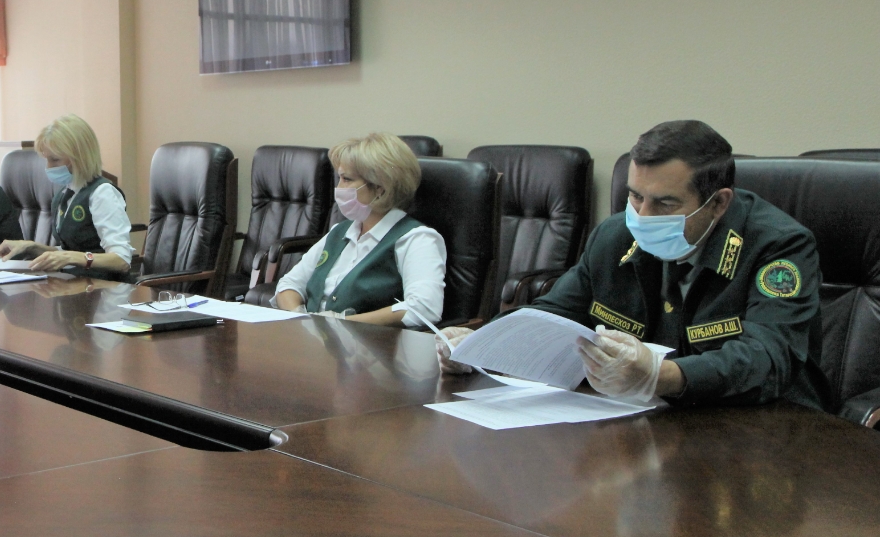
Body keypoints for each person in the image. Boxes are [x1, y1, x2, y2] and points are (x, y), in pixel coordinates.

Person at [437, 120, 826, 409]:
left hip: (763, 428)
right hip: (648, 421)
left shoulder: (778, 246)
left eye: (665, 203)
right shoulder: (615, 237)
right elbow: (552, 313)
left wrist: (659, 375)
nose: (643, 215)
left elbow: (769, 358)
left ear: (719, 203)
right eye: (636, 196)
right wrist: (478, 345)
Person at [273, 132, 446, 326]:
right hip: (312, 337)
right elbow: (289, 285)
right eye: (339, 178)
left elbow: (424, 307)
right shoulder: (339, 232)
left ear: (380, 188)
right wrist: (299, 317)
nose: (339, 187)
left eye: (347, 179)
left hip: (369, 343)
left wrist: (343, 324)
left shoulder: (416, 239)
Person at [0, 114, 133, 278]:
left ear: (79, 158)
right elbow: (67, 252)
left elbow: (121, 260)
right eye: (47, 159)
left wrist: (73, 258)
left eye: (55, 160)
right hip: (72, 282)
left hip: (103, 285)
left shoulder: (102, 193)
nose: (48, 167)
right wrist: (30, 247)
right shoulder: (64, 195)